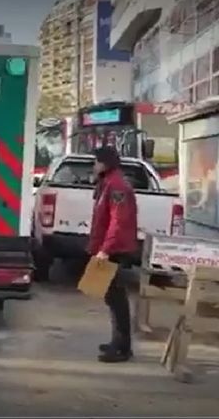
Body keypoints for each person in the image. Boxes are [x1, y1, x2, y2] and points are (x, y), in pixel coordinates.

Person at [88, 146, 138, 363]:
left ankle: (122, 348)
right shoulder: (108, 182)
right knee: (111, 298)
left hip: (115, 250)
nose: (94, 165)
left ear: (105, 163)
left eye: (96, 161)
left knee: (117, 300)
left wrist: (105, 251)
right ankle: (117, 341)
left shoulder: (116, 185)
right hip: (110, 248)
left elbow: (119, 222)